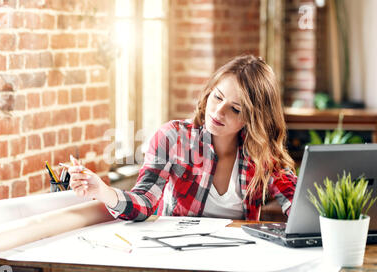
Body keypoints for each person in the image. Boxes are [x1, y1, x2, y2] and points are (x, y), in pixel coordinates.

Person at [69, 54, 297, 221]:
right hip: (178, 254)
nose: (218, 112)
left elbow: (297, 206)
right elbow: (144, 203)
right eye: (217, 98)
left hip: (236, 259)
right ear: (209, 92)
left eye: (235, 109)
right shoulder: (172, 137)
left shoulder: (263, 153)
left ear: (253, 118)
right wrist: (101, 190)